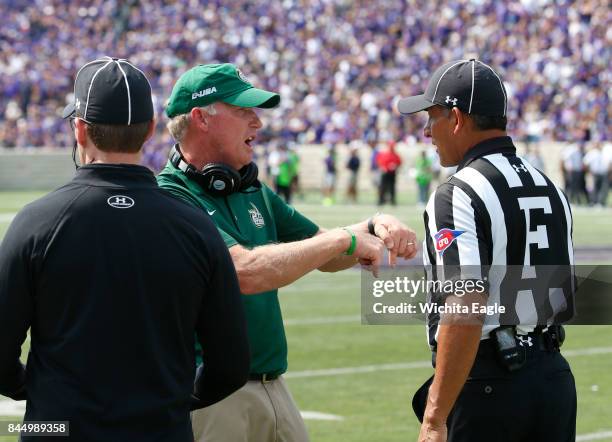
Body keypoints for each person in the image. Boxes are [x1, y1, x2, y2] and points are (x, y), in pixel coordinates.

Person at [157, 63, 418, 442]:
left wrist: (374, 226)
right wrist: (344, 238)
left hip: (274, 385)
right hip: (210, 397)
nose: (257, 123)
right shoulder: (170, 196)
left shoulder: (252, 189)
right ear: (201, 118)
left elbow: (327, 253)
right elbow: (243, 272)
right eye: (243, 111)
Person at [0, 57, 250, 442]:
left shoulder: (36, 222)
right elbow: (231, 365)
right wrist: (175, 400)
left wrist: (40, 393)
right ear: (150, 130)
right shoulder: (196, 226)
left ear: (80, 130)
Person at [398, 59, 576, 442]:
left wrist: (434, 417)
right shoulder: (552, 189)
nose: (428, 131)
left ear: (457, 118)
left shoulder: (457, 193)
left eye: (433, 117)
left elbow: (466, 304)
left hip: (491, 386)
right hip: (554, 377)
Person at [377, 140, 402, 206]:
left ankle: (392, 201)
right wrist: (383, 167)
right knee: (383, 187)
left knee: (392, 187)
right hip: (385, 173)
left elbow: (399, 162)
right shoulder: (384, 154)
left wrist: (395, 166)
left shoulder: (396, 155)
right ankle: (381, 201)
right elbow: (380, 162)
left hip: (392, 173)